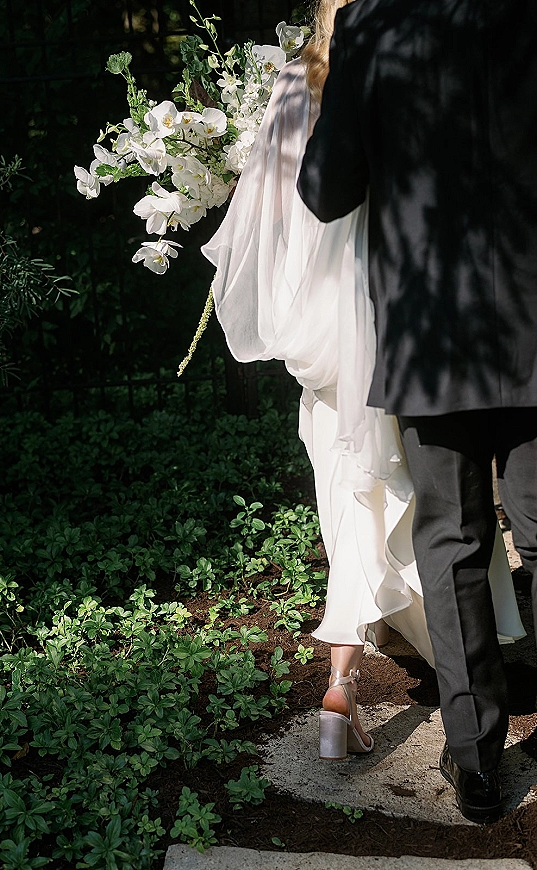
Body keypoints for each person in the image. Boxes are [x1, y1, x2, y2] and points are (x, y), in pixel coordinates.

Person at [202, 0, 525, 769]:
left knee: (371, 493)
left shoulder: (301, 84)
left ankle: (351, 689)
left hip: (351, 318)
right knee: (427, 501)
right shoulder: (449, 47)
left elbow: (295, 204)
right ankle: (439, 673)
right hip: (436, 304)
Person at [298, 0, 537, 824]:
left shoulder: (375, 24)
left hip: (433, 332)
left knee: (453, 537)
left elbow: (327, 191)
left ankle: (475, 761)